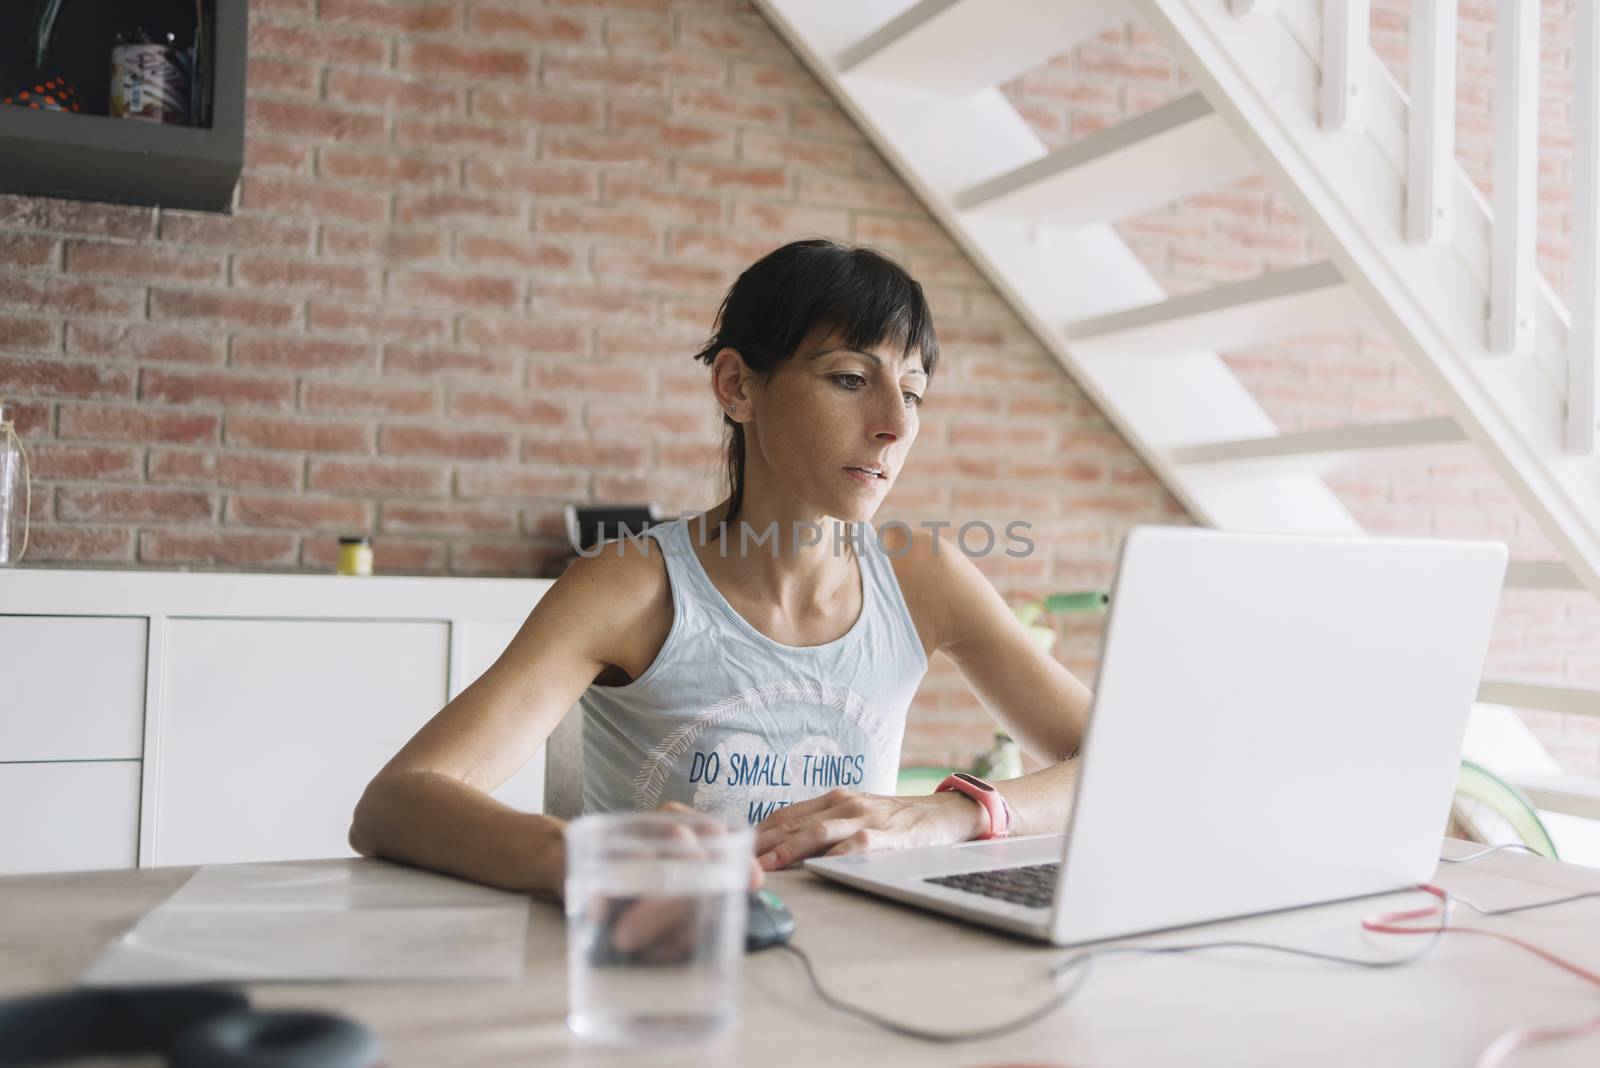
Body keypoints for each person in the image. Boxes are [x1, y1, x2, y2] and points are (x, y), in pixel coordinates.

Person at [348, 239, 1094, 900]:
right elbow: (397, 802)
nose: (896, 426)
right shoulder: (629, 584)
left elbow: (1122, 759)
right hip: (664, 965)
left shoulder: (922, 575)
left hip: (856, 973)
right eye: (848, 378)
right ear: (738, 386)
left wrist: (959, 811)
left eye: (914, 392)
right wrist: (586, 854)